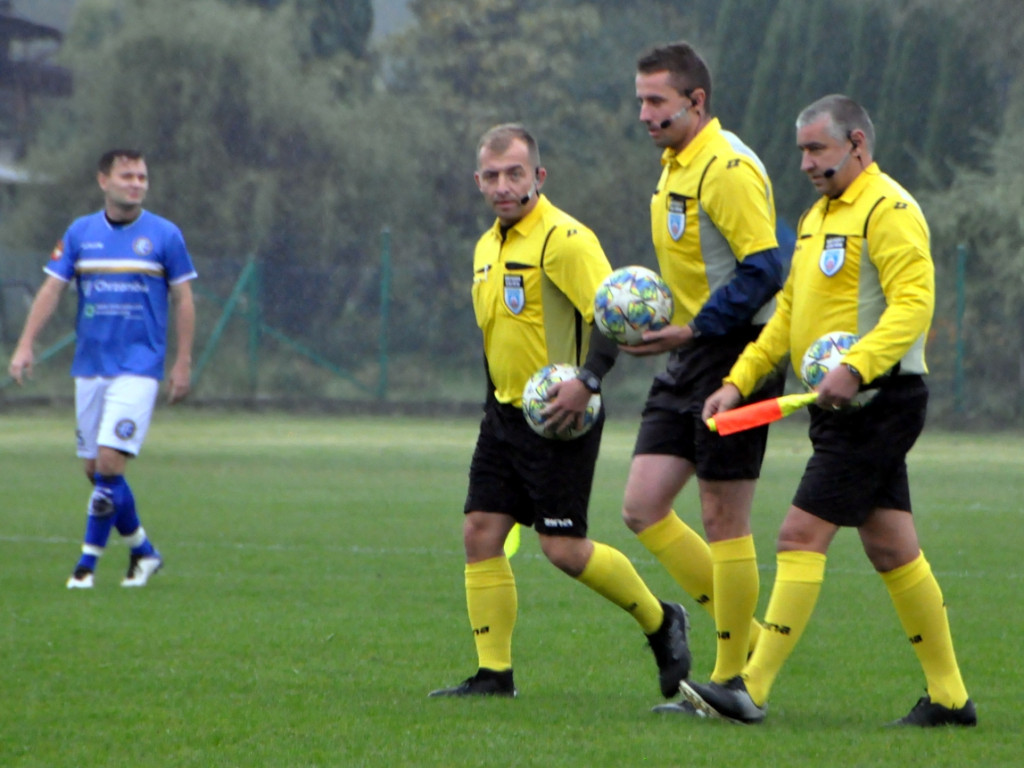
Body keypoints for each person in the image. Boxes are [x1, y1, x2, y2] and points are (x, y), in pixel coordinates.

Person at [681, 94, 975, 727]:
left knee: (797, 535)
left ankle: (749, 690)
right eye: (802, 152)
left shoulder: (890, 209)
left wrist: (858, 366)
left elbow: (913, 305)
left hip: (879, 401)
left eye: (818, 148)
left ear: (858, 145)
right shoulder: (815, 218)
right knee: (893, 549)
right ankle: (951, 700)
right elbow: (787, 317)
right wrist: (737, 383)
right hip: (836, 404)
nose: (807, 163)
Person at [429, 123, 690, 699]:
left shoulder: (566, 239)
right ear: (478, 181)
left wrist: (589, 382)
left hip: (560, 417)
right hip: (503, 414)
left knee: (564, 550)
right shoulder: (486, 246)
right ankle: (494, 675)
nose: (502, 185)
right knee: (480, 532)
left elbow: (612, 316)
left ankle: (662, 620)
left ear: (539, 176)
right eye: (492, 176)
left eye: (514, 173)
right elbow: (497, 333)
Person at [621, 42, 786, 711]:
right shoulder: (671, 169)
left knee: (724, 519)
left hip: (741, 354)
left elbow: (765, 268)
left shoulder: (727, 166)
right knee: (642, 506)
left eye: (656, 102)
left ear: (696, 102)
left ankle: (727, 682)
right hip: (690, 356)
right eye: (640, 101)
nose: (644, 114)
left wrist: (694, 328)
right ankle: (737, 634)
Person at [8, 149, 197, 589]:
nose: (136, 183)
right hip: (90, 367)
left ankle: (85, 566)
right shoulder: (80, 233)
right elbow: (52, 289)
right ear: (103, 181)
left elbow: (184, 300)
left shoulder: (165, 235)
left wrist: (182, 362)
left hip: (138, 368)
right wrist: (25, 345)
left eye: (142, 176)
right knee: (95, 472)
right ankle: (143, 552)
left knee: (111, 464)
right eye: (127, 175)